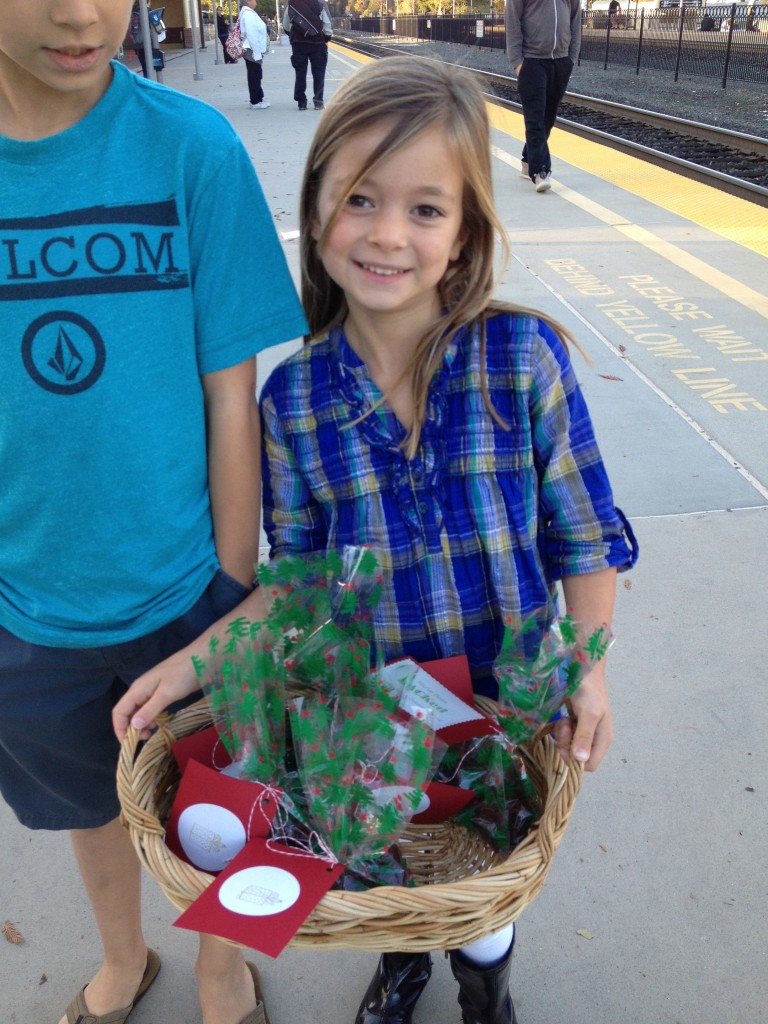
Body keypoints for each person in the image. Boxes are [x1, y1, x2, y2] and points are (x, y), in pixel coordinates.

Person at [115, 56, 637, 1024]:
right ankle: (402, 961)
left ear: (467, 230)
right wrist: (189, 664)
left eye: (426, 209)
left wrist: (588, 667)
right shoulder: (296, 400)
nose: (388, 234)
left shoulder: (525, 359)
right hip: (374, 711)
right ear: (315, 210)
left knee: (482, 879)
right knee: (391, 850)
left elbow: (584, 533)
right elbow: (301, 585)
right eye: (360, 198)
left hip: (508, 702)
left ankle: (486, 981)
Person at [0, 3, 307, 1024]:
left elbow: (231, 393)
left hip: (189, 591)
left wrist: (228, 594)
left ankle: (225, 974)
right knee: (88, 804)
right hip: (27, 616)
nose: (82, 13)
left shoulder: (191, 149)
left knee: (227, 811)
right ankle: (124, 958)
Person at [506, 0, 582, 193]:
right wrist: (517, 62)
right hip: (532, 61)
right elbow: (513, 22)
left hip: (562, 61)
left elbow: (575, 21)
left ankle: (527, 160)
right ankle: (540, 171)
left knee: (548, 117)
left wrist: (572, 58)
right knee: (535, 118)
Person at [283, 0, 333, 111]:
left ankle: (301, 102)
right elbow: (327, 24)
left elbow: (286, 24)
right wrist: (326, 37)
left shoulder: (291, 4)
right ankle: (318, 102)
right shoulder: (320, 4)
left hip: (298, 44)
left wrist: (293, 34)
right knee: (319, 73)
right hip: (318, 43)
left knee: (300, 73)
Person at [239, 0, 269, 109]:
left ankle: (259, 97)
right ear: (247, 1)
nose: (256, 1)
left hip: (253, 49)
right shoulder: (248, 14)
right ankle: (255, 101)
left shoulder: (249, 13)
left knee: (257, 74)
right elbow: (252, 34)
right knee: (254, 75)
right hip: (252, 49)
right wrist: (257, 53)